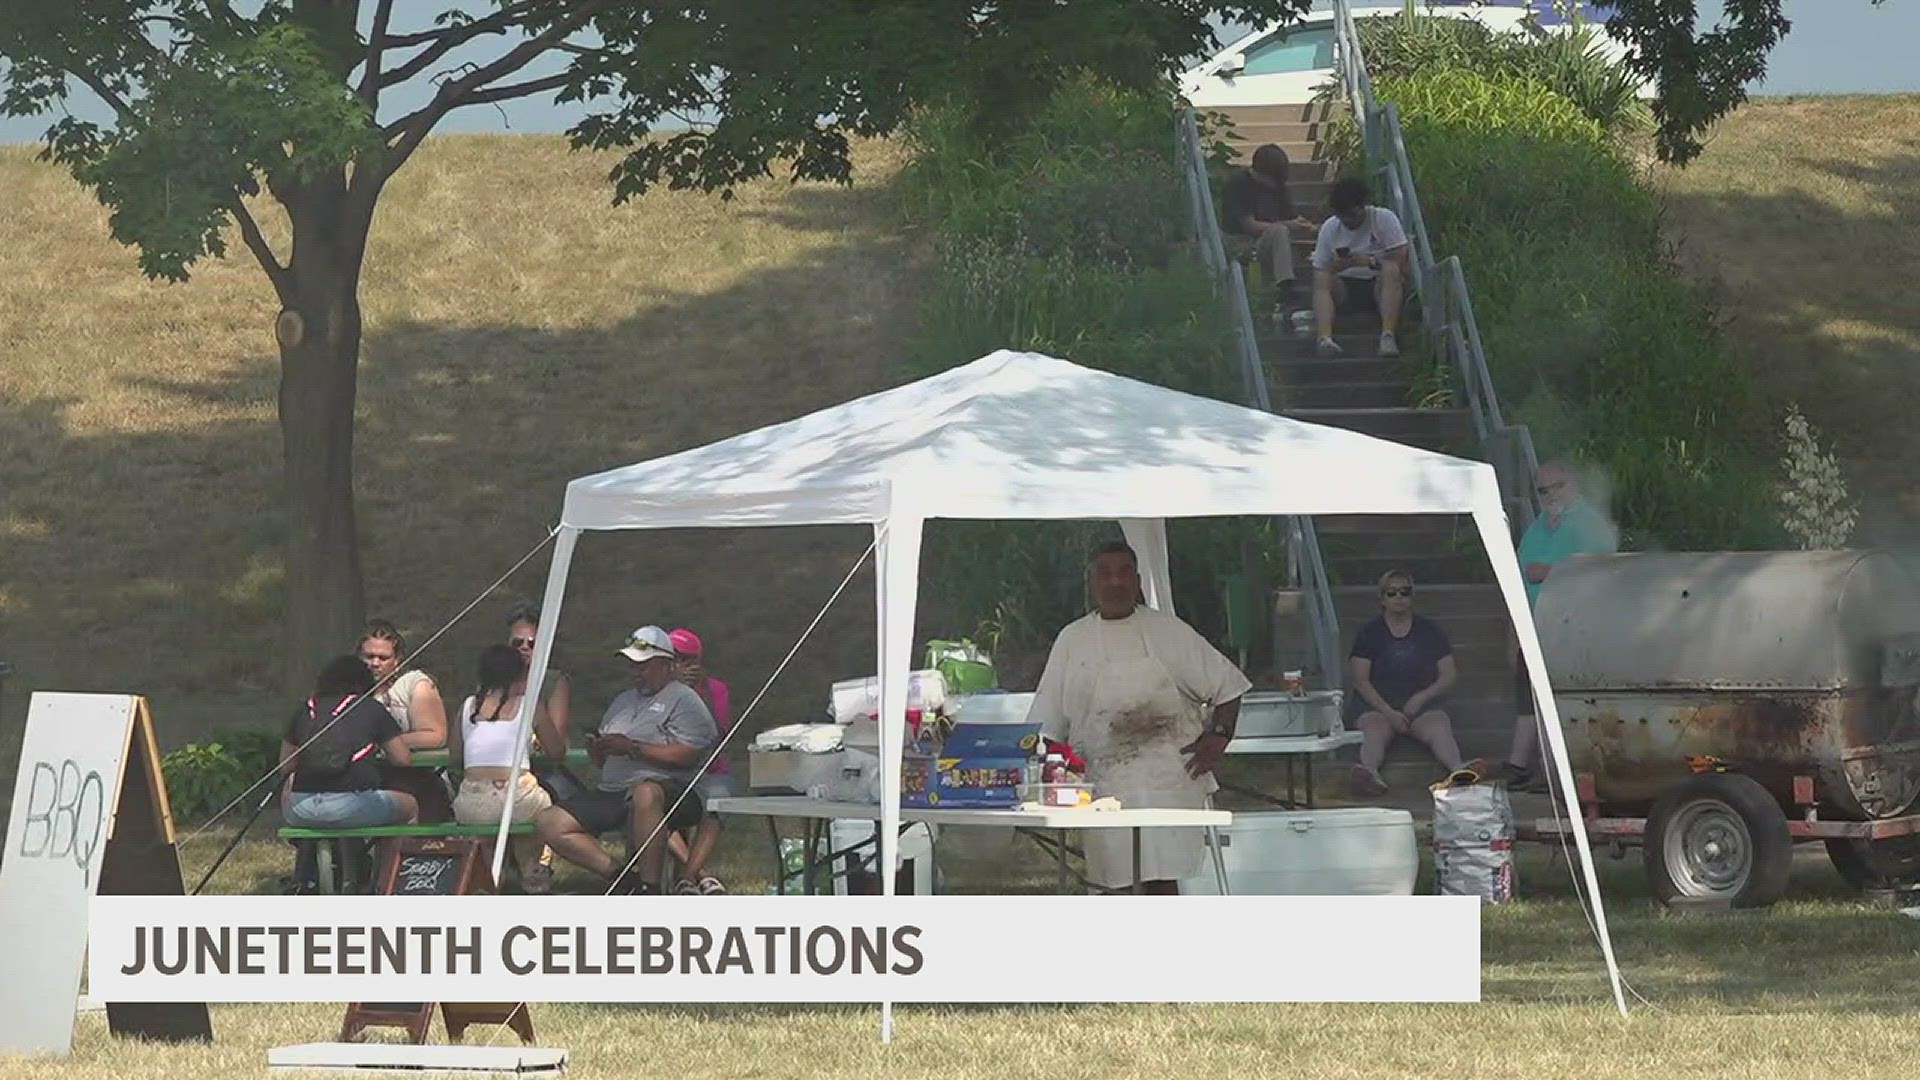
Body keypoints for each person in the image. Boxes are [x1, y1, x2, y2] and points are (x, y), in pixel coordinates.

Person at [1027, 541, 1251, 895]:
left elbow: (1228, 686)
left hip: (1167, 781)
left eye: (1123, 574)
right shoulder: (1073, 639)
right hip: (1102, 782)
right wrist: (1055, 774)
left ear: (1138, 581)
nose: (1115, 583)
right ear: (1093, 583)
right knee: (1114, 883)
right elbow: (1049, 721)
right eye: (1106, 575)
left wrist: (1219, 734)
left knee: (1162, 880)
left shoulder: (1169, 631)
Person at [534, 625, 718, 895]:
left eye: (642, 665)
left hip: (674, 790)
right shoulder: (623, 700)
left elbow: (690, 753)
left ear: (666, 664)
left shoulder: (683, 699)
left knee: (645, 793)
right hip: (615, 790)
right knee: (550, 821)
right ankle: (623, 880)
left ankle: (650, 887)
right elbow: (603, 761)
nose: (635, 672)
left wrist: (634, 748)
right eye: (632, 665)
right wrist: (599, 749)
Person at [1501, 461, 1619, 791]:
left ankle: (1556, 771)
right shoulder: (1536, 528)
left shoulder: (1591, 525)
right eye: (1543, 489)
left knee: (1557, 700)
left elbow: (1604, 572)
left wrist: (1552, 572)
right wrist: (1514, 631)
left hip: (1574, 628)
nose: (1550, 494)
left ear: (1575, 485)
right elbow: (1519, 581)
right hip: (1534, 625)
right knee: (1528, 699)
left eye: (1558, 486)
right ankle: (1519, 766)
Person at [280, 654, 416, 893]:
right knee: (410, 806)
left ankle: (308, 876)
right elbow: (402, 759)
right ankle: (391, 883)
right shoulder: (371, 709)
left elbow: (286, 765)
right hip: (352, 806)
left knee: (292, 786)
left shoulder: (305, 709)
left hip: (301, 810)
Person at [1345, 569, 1468, 798]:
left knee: (1439, 724)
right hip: (1377, 704)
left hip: (1421, 705)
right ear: (1382, 599)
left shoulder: (1430, 631)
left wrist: (1422, 698)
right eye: (1391, 593)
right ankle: (1368, 773)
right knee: (1374, 728)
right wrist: (1389, 712)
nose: (1399, 597)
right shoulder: (1369, 633)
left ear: (1413, 596)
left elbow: (1449, 674)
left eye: (1405, 591)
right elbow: (1360, 680)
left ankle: (1459, 771)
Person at [450, 644, 562, 894]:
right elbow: (557, 751)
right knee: (543, 813)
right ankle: (533, 872)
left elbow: (455, 756)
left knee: (486, 841)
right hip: (518, 796)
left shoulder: (468, 706)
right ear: (520, 676)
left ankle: (490, 883)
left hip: (474, 802)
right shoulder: (530, 706)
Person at [359, 619, 452, 821]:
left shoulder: (414, 683)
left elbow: (435, 736)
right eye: (369, 656)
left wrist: (385, 742)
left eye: (383, 658)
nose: (374, 663)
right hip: (366, 781)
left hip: (417, 778)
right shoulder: (350, 692)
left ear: (397, 660)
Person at [1310, 176, 1410, 359]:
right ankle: (1324, 337)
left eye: (1353, 215)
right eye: (1343, 217)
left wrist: (1368, 262)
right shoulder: (1330, 227)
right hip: (1345, 286)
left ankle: (1387, 335)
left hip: (1378, 284)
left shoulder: (1383, 218)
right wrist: (1337, 267)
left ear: (1363, 206)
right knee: (1321, 277)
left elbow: (1401, 258)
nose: (1349, 221)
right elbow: (1320, 266)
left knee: (1390, 270)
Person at [665, 628, 733, 896]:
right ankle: (699, 875)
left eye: (685, 659)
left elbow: (717, 733)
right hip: (667, 768)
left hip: (709, 769)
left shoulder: (715, 689)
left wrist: (699, 691)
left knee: (719, 799)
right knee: (649, 803)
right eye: (672, 658)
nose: (678, 665)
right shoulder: (658, 689)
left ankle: (686, 877)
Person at [1219, 143, 1317, 315]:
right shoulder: (1239, 184)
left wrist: (1308, 227)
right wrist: (1287, 225)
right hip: (1242, 243)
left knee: (1282, 233)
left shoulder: (1278, 187)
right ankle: (1285, 290)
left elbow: (1290, 218)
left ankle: (1289, 290)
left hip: (1272, 243)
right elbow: (1249, 226)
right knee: (1279, 231)